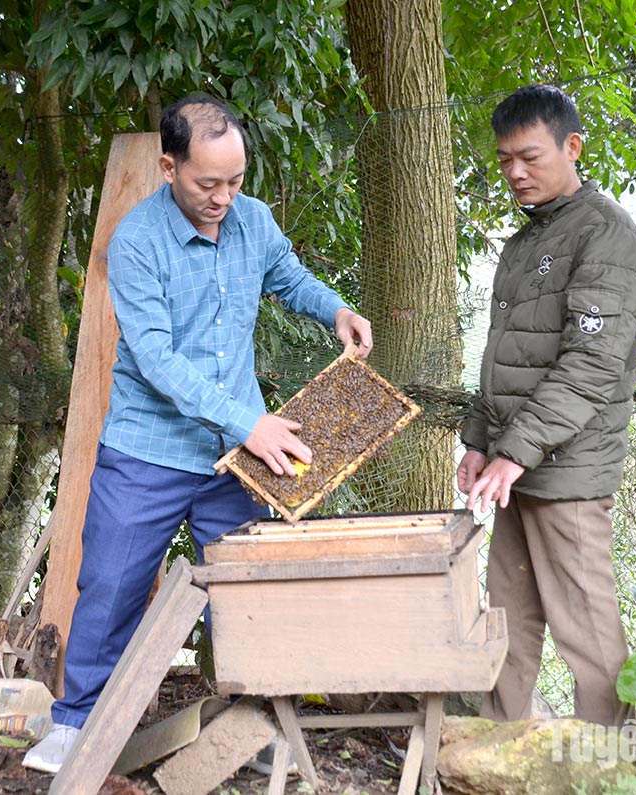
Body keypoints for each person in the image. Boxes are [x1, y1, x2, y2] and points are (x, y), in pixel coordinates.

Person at [23, 94, 373, 772]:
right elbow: (155, 360)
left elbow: (288, 276)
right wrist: (251, 420)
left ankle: (259, 729)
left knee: (244, 594)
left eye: (235, 182)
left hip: (233, 458)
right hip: (146, 448)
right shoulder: (135, 242)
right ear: (167, 166)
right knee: (111, 583)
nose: (223, 197)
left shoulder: (253, 221)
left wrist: (336, 308)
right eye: (208, 183)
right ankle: (74, 723)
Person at [458, 84, 636, 727]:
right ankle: (496, 748)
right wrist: (481, 440)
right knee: (506, 619)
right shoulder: (525, 243)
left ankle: (609, 761)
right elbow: (505, 354)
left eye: (530, 157)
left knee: (588, 633)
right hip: (514, 466)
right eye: (506, 159)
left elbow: (591, 365)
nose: (515, 172)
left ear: (572, 147)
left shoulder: (606, 237)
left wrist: (512, 451)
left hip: (567, 473)